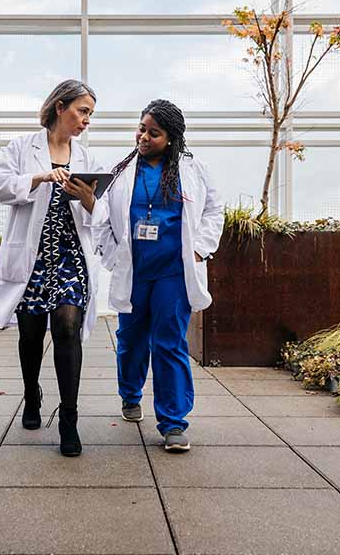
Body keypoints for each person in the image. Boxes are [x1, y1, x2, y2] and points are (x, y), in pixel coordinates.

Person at [95, 99, 223, 452]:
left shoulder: (192, 169)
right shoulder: (120, 170)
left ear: (171, 138)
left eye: (154, 133)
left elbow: (214, 208)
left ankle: (173, 422)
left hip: (174, 272)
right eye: (141, 128)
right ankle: (130, 393)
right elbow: (102, 216)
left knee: (169, 342)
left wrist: (199, 249)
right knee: (131, 339)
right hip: (134, 270)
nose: (144, 137)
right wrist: (112, 253)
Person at [0, 79, 102, 457]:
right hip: (32, 258)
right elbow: (1, 186)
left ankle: (69, 418)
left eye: (90, 115)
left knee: (67, 327)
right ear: (60, 107)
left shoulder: (86, 159)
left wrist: (86, 197)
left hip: (70, 257)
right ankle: (31, 394)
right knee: (31, 335)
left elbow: (99, 214)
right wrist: (40, 177)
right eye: (82, 111)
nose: (86, 120)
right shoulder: (22, 147)